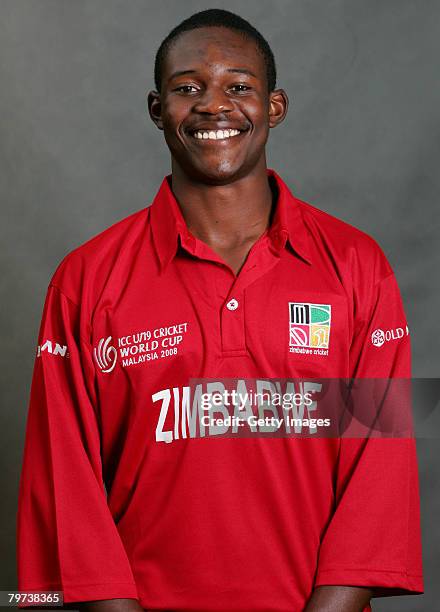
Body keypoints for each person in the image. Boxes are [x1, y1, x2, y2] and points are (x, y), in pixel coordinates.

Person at [17, 8, 424, 612]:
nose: (214, 105)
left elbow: (379, 469)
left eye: (239, 87)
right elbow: (63, 480)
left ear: (275, 107)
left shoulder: (356, 264)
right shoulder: (86, 278)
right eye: (188, 88)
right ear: (158, 111)